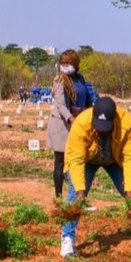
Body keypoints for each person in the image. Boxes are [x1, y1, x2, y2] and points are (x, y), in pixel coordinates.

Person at [59, 95, 131, 258]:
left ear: (114, 119)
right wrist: (81, 192)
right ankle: (68, 238)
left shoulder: (127, 123)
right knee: (74, 196)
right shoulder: (81, 123)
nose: (102, 130)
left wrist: (130, 191)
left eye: (106, 127)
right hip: (88, 160)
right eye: (99, 126)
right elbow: (75, 160)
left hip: (114, 160)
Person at [46, 50, 93, 200]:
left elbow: (87, 99)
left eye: (68, 63)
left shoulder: (80, 79)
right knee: (60, 162)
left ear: (75, 63)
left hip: (80, 123)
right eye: (63, 63)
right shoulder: (60, 79)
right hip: (63, 125)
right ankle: (59, 198)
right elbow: (60, 105)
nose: (65, 66)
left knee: (78, 160)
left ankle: (76, 197)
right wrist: (72, 119)